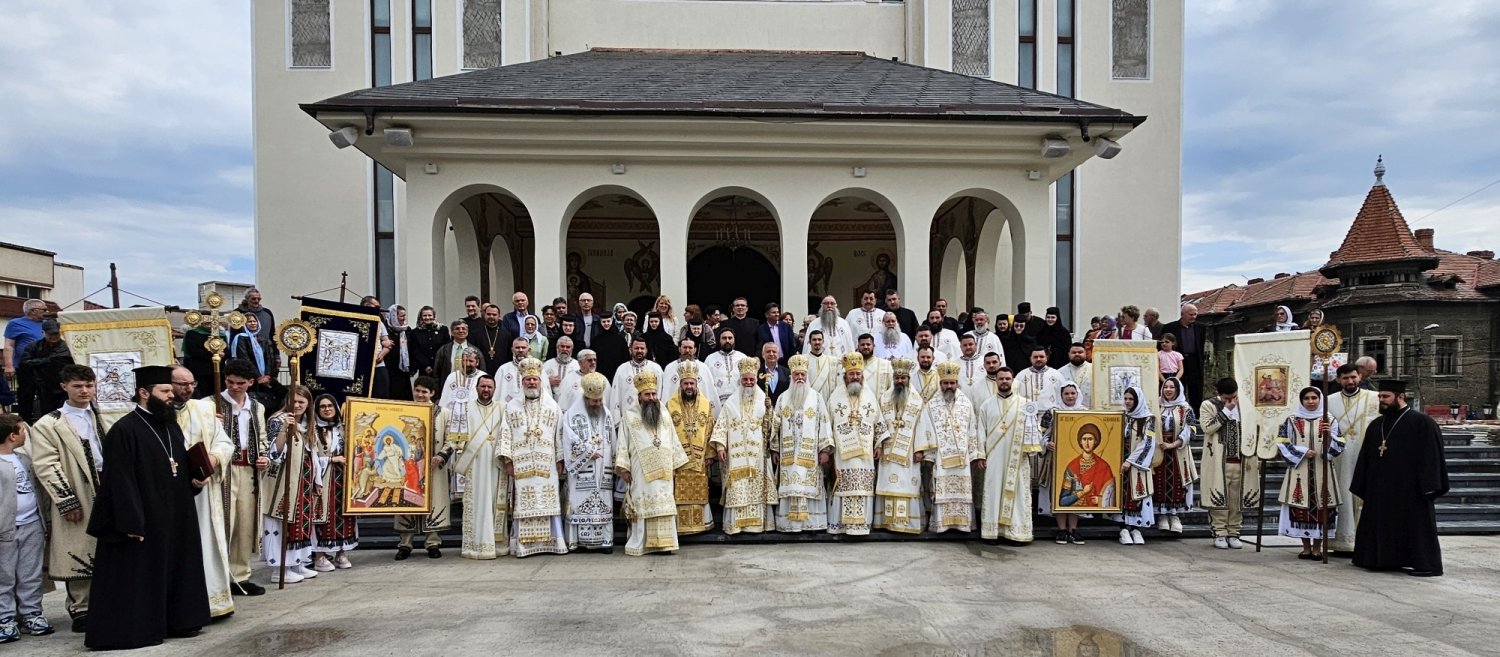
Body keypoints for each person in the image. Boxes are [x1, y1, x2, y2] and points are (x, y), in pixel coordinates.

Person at [84, 365, 210, 650]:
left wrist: (195, 479)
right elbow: (120, 482)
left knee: (177, 566)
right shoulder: (125, 430)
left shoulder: (170, 425)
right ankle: (141, 629)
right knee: (141, 575)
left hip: (176, 513)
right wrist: (130, 521)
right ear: (144, 393)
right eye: (165, 391)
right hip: (143, 517)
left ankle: (178, 620)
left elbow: (175, 466)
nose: (171, 395)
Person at [27, 364, 107, 630]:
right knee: (80, 546)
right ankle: (81, 607)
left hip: (107, 486)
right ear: (64, 387)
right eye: (77, 386)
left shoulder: (101, 416)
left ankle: (109, 599)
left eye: (88, 385)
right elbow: (46, 465)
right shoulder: (49, 424)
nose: (84, 391)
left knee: (109, 544)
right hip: (77, 488)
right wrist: (66, 500)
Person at [1351, 379, 1449, 577]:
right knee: (1382, 522)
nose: (1381, 400)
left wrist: (1429, 485)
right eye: (1380, 397)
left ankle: (1427, 565)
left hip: (1411, 488)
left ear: (1401, 397)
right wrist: (1363, 483)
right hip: (1381, 487)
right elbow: (1366, 457)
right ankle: (1384, 560)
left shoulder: (1422, 422)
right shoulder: (1377, 424)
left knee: (1416, 526)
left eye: (1385, 397)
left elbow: (1432, 455)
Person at [170, 366, 236, 619]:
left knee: (205, 542)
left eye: (191, 384)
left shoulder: (204, 409)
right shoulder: (158, 413)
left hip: (204, 492)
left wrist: (211, 460)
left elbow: (224, 443)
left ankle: (213, 601)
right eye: (181, 384)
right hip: (173, 490)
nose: (187, 389)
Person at [615, 373, 690, 555]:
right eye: (647, 395)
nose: (651, 398)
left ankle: (665, 544)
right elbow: (622, 443)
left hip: (664, 469)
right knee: (643, 504)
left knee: (663, 505)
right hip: (640, 470)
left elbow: (672, 437)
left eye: (654, 394)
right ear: (639, 396)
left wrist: (674, 464)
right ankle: (643, 543)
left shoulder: (663, 412)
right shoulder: (629, 416)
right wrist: (624, 468)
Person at [216, 358, 270, 594]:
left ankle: (241, 575)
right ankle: (219, 575)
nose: (234, 387)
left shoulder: (257, 407)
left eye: (239, 383)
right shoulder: (212, 404)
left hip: (249, 470)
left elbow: (262, 437)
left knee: (245, 524)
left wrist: (265, 456)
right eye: (229, 382)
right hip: (222, 472)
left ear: (250, 382)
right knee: (223, 522)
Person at [506, 359, 568, 557]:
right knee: (524, 502)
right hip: (521, 463)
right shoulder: (511, 406)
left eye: (535, 379)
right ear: (522, 382)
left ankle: (553, 542)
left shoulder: (553, 406)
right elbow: (505, 433)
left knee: (548, 501)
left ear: (540, 381)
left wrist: (560, 459)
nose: (532, 383)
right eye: (528, 380)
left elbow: (559, 434)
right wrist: (508, 461)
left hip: (546, 464)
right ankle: (523, 546)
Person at [262, 386, 323, 584]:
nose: (297, 406)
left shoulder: (306, 424)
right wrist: (283, 430)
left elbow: (312, 454)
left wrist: (317, 480)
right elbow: (274, 453)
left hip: (302, 480)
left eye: (301, 402)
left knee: (301, 523)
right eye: (294, 401)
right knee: (282, 523)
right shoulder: (277, 420)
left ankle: (298, 563)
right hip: (283, 482)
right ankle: (281, 568)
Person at [1275, 387, 1345, 560]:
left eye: (1314, 397)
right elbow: (1282, 441)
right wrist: (1301, 451)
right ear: (1301, 400)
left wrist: (1330, 438)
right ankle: (1305, 547)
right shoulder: (1292, 420)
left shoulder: (1329, 420)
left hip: (1323, 469)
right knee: (1301, 508)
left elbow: (1340, 444)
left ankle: (1318, 548)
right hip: (1300, 470)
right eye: (1306, 398)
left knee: (1322, 509)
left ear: (1320, 399)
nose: (1311, 401)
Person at [0, 413, 52, 641]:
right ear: (13, 435)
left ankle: (31, 613)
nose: (26, 435)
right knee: (4, 575)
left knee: (30, 573)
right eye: (23, 431)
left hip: (32, 524)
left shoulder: (24, 460)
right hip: (6, 530)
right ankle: (5, 618)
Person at [915, 361, 982, 534]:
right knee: (941, 492)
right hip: (941, 458)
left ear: (957, 383)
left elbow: (972, 429)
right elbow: (926, 430)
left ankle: (963, 524)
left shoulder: (966, 404)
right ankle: (942, 524)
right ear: (940, 384)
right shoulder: (931, 404)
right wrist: (929, 456)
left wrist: (975, 454)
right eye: (946, 383)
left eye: (952, 383)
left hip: (962, 459)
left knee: (963, 492)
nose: (949, 386)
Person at [825, 353, 887, 535]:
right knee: (842, 486)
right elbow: (827, 424)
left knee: (862, 487)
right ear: (845, 375)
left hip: (865, 453)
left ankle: (861, 526)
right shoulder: (834, 397)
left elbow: (878, 421)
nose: (855, 377)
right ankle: (840, 526)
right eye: (851, 374)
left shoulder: (870, 396)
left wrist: (878, 445)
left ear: (862, 375)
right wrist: (829, 449)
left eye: (858, 374)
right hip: (842, 453)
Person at [450, 374, 511, 559]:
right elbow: (457, 437)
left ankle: (497, 545)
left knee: (494, 501)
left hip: (496, 463)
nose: (486, 390)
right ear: (476, 388)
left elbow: (508, 433)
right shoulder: (466, 408)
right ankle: (474, 545)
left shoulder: (503, 408)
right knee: (476, 502)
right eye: (483, 386)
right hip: (475, 464)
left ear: (494, 389)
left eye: (489, 387)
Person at [711, 358, 773, 534]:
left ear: (756, 380)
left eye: (751, 380)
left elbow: (772, 427)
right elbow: (721, 425)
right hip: (736, 456)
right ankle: (736, 525)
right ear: (740, 380)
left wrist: (770, 411)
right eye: (745, 380)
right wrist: (721, 447)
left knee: (756, 488)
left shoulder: (764, 399)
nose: (748, 383)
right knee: (738, 487)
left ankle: (757, 525)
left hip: (758, 454)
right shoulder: (730, 402)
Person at [395, 377, 452, 559]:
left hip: (433, 467)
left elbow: (452, 438)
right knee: (408, 500)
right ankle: (405, 544)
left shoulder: (444, 413)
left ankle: (433, 542)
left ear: (432, 393)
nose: (420, 395)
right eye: (417, 391)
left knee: (434, 501)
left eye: (424, 392)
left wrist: (441, 456)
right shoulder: (403, 411)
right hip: (409, 466)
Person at [977, 367, 1036, 543]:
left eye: (1007, 379)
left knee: (1017, 492)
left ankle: (1016, 532)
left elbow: (1032, 430)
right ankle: (992, 531)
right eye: (1001, 379)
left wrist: (1030, 447)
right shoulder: (987, 404)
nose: (1004, 382)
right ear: (996, 381)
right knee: (993, 491)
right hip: (994, 456)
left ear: (1012, 380)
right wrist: (980, 454)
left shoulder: (1025, 404)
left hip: (1017, 456)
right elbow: (981, 431)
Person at [773, 355, 831, 533]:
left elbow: (824, 423)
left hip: (810, 454)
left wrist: (825, 449)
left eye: (803, 375)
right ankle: (789, 524)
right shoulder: (783, 398)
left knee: (809, 485)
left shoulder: (817, 398)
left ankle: (812, 524)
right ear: (791, 376)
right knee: (791, 485)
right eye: (796, 374)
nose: (800, 378)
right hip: (788, 454)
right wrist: (774, 449)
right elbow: (776, 426)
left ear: (807, 376)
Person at [1200, 377, 1260, 550]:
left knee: (1237, 499)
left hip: (1242, 461)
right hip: (1219, 462)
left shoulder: (1246, 406)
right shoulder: (1208, 405)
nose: (1231, 400)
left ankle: (1234, 532)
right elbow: (1207, 427)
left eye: (1233, 397)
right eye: (1227, 398)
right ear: (1220, 395)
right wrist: (1226, 411)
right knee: (1219, 498)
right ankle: (1219, 532)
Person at [1326, 363, 1380, 555]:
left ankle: (1364, 541)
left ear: (1360, 377)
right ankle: (1342, 541)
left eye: (1353, 377)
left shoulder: (1374, 398)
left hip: (1365, 454)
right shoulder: (1328, 401)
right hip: (1339, 457)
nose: (1350, 381)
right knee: (1342, 493)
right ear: (1338, 380)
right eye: (1345, 378)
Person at [561, 372, 616, 552]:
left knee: (604, 503)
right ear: (585, 398)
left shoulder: (606, 413)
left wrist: (614, 460)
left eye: (600, 400)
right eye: (595, 401)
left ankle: (605, 542)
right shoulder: (572, 414)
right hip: (583, 468)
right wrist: (587, 452)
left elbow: (612, 439)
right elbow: (568, 438)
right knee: (579, 503)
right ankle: (577, 542)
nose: (598, 404)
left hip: (603, 468)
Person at [874, 359, 925, 534]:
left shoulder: (917, 400)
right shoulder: (885, 397)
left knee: (907, 484)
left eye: (903, 378)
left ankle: (906, 524)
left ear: (908, 378)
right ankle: (887, 522)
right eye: (897, 378)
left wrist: (920, 449)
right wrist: (879, 444)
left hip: (909, 451)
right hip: (887, 451)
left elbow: (922, 426)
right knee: (888, 483)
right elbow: (879, 422)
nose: (900, 381)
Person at [311, 393, 359, 571]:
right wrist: (332, 459)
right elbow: (312, 456)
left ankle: (341, 553)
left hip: (343, 479)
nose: (327, 409)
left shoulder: (344, 429)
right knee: (323, 515)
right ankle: (320, 556)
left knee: (344, 515)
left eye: (330, 406)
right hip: (323, 478)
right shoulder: (312, 430)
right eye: (322, 406)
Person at [667, 363, 715, 535]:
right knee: (679, 489)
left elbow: (710, 429)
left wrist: (710, 453)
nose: (689, 387)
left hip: (700, 458)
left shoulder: (706, 405)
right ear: (680, 385)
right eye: (686, 384)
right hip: (679, 459)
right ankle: (682, 525)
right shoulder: (670, 405)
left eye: (691, 384)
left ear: (696, 384)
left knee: (699, 488)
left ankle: (701, 524)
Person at [1039, 381, 1088, 544]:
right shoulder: (1052, 412)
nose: (1070, 396)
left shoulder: (1085, 412)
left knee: (1076, 493)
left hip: (1078, 461)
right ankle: (1061, 530)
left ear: (1077, 394)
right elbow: (1042, 434)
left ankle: (1073, 529)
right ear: (1061, 395)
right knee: (1060, 493)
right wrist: (1047, 444)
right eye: (1066, 394)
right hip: (1057, 460)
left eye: (1072, 393)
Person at [1111, 386, 1157, 545]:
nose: (1128, 402)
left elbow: (1148, 442)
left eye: (1131, 399)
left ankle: (1137, 529)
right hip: (1120, 461)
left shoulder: (1148, 419)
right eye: (1126, 399)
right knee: (1122, 495)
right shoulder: (1123, 417)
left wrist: (1130, 461)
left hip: (1137, 464)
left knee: (1137, 492)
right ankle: (1123, 529)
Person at [228, 313, 282, 409]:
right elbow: (245, 359)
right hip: (251, 378)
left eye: (254, 321)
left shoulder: (263, 339)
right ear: (244, 323)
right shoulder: (241, 338)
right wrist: (258, 377)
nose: (253, 323)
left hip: (266, 379)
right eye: (249, 321)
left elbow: (269, 358)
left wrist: (268, 376)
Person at [3, 300, 46, 421]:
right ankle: (24, 423)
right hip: (26, 366)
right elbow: (9, 346)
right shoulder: (15, 323)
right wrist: (9, 365)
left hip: (45, 366)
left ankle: (46, 422)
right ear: (33, 311)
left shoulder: (48, 323)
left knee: (46, 395)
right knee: (26, 395)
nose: (46, 312)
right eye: (44, 310)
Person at [18, 319, 70, 417]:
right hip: (43, 385)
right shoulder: (33, 346)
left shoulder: (67, 346)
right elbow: (24, 363)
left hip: (63, 385)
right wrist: (46, 360)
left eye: (56, 334)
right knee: (46, 413)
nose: (54, 337)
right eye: (51, 334)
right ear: (43, 333)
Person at [1161, 304, 1206, 409]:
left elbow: (1201, 346)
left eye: (1195, 314)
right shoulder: (1169, 328)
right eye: (1191, 314)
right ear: (1182, 314)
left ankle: (1196, 415)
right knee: (1177, 388)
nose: (1194, 317)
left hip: (1194, 362)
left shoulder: (1201, 328)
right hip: (1176, 363)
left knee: (1196, 390)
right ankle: (1176, 412)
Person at [361, 296, 395, 399]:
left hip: (378, 364)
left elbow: (387, 343)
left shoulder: (379, 322)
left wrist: (381, 355)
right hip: (362, 365)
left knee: (381, 394)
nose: (378, 309)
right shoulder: (358, 319)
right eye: (376, 306)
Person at [1014, 345, 1064, 411]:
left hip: (1051, 414)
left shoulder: (1057, 375)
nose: (1038, 359)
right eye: (1035, 357)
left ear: (1047, 358)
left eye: (1041, 357)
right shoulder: (1021, 375)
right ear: (1030, 359)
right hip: (1026, 414)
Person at [409, 307, 450, 382]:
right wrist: (426, 365)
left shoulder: (442, 329)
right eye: (425, 315)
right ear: (421, 317)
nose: (427, 318)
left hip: (441, 367)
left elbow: (446, 347)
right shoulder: (415, 332)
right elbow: (416, 351)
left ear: (434, 316)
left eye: (430, 315)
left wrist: (437, 364)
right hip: (424, 368)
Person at [557, 350, 605, 415]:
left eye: (594, 360)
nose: (593, 362)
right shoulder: (568, 380)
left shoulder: (602, 379)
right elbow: (563, 405)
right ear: (580, 363)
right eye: (589, 360)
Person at [384, 305, 415, 401]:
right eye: (401, 316)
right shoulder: (385, 329)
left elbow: (412, 349)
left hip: (402, 371)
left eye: (404, 316)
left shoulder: (407, 330)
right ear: (393, 316)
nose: (404, 318)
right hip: (389, 368)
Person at [803, 330, 840, 402]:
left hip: (827, 400)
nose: (817, 342)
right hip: (809, 400)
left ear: (823, 341)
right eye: (814, 340)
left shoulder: (831, 360)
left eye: (819, 339)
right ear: (809, 342)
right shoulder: (803, 360)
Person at [856, 334, 893, 398]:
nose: (865, 347)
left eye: (868, 344)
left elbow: (891, 388)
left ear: (873, 346)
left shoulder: (886, 364)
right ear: (858, 347)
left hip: (879, 405)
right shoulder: (852, 365)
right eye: (862, 345)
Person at [592, 315, 629, 380]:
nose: (606, 324)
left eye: (608, 321)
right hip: (600, 374)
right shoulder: (596, 340)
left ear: (612, 322)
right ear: (600, 323)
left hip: (618, 373)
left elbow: (625, 358)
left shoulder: (620, 340)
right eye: (603, 322)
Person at [1059, 343, 1094, 408]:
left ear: (1085, 353)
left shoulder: (1094, 370)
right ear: (1068, 354)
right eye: (1074, 352)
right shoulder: (1060, 372)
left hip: (1089, 410)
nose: (1077, 354)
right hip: (1067, 412)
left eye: (1080, 352)